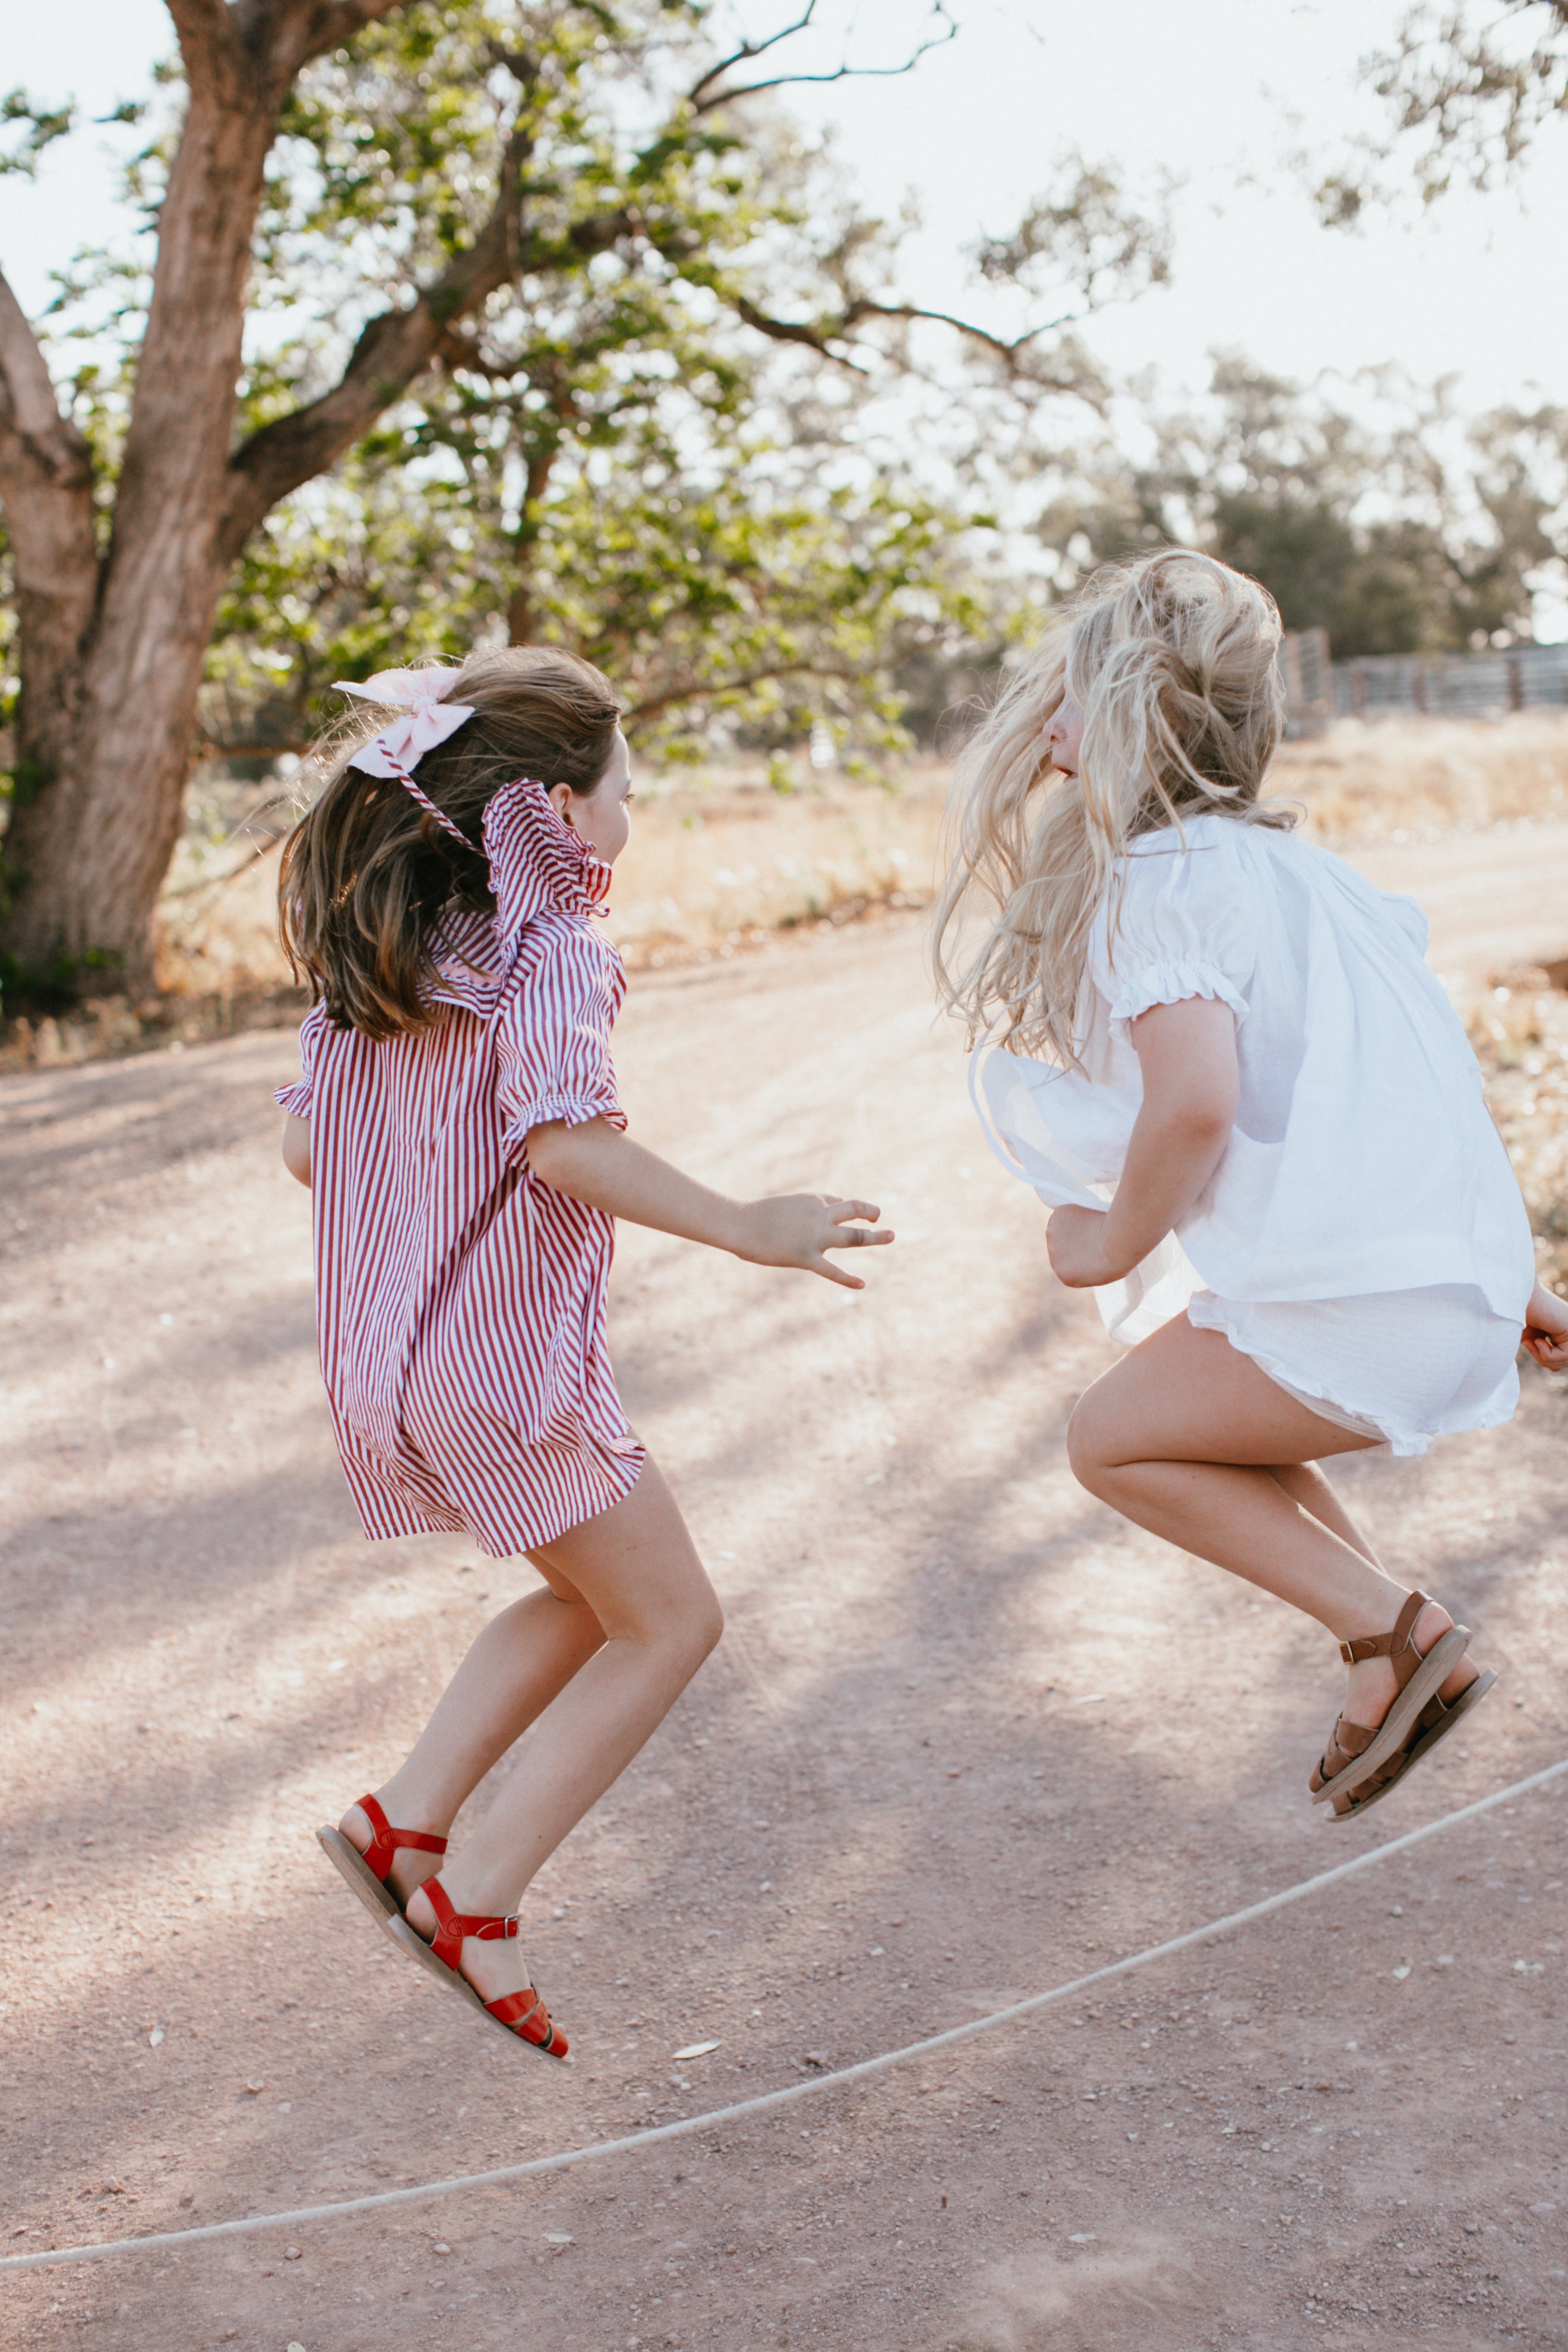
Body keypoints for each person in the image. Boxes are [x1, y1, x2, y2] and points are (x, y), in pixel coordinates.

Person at [276, 649, 891, 2056]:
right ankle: (474, 1900)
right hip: (501, 1367)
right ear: (556, 809)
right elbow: (564, 1142)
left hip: (392, 1368)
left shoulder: (378, 959)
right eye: (626, 793)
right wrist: (749, 1223)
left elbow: (308, 1146)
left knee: (585, 1596)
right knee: (673, 1621)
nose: (632, 819)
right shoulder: (555, 951)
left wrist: (419, 1166)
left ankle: (400, 1826)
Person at [932, 549, 1568, 1819]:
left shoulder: (1159, 883)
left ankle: (1399, 1630)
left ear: (1120, 714)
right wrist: (1518, 1279)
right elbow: (1413, 1096)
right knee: (1205, 1422)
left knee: (1109, 1441)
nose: (1045, 723)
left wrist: (1112, 1239)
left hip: (1373, 1310)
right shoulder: (1313, 880)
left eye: (1066, 693)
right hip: (1448, 1290)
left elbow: (1198, 1101)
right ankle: (1386, 1653)